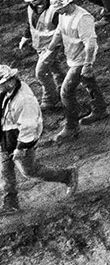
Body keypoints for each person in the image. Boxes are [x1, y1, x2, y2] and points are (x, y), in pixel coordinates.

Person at [1, 65, 77, 212]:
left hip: (20, 138)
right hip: (5, 135)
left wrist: (21, 148)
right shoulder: (6, 91)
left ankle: (67, 175)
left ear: (9, 81)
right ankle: (10, 203)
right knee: (4, 169)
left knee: (29, 171)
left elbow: (29, 127)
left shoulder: (24, 100)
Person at [46, 0, 105, 142]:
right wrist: (50, 49)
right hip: (72, 58)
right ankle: (100, 109)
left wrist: (88, 64)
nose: (56, 11)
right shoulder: (63, 15)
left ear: (67, 4)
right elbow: (59, 32)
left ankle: (71, 127)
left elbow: (90, 44)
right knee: (88, 82)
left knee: (66, 92)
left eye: (59, 8)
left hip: (81, 60)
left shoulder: (83, 18)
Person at [16, 0, 62, 113]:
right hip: (39, 45)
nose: (34, 2)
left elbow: (62, 29)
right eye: (32, 0)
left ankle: (50, 100)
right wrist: (25, 37)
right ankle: (65, 87)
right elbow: (29, 24)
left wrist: (53, 47)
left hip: (52, 46)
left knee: (41, 72)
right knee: (54, 67)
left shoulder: (54, 9)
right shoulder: (31, 7)